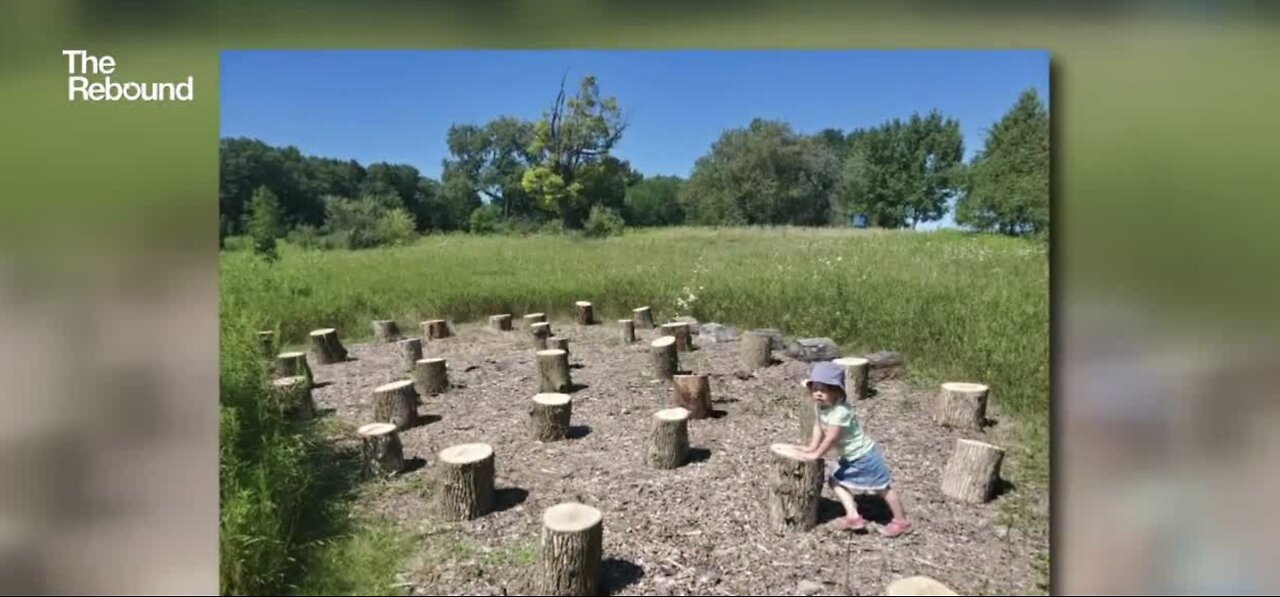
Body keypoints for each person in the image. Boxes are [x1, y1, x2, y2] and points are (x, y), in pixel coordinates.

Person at [788, 360, 913, 537]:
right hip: (850, 457)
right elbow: (818, 427)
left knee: (883, 488)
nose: (818, 394)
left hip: (864, 456)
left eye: (824, 390)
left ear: (837, 392)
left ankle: (901, 522)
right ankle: (853, 516)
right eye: (815, 389)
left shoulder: (840, 411)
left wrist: (818, 453)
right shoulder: (821, 408)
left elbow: (831, 437)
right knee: (835, 482)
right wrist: (811, 448)